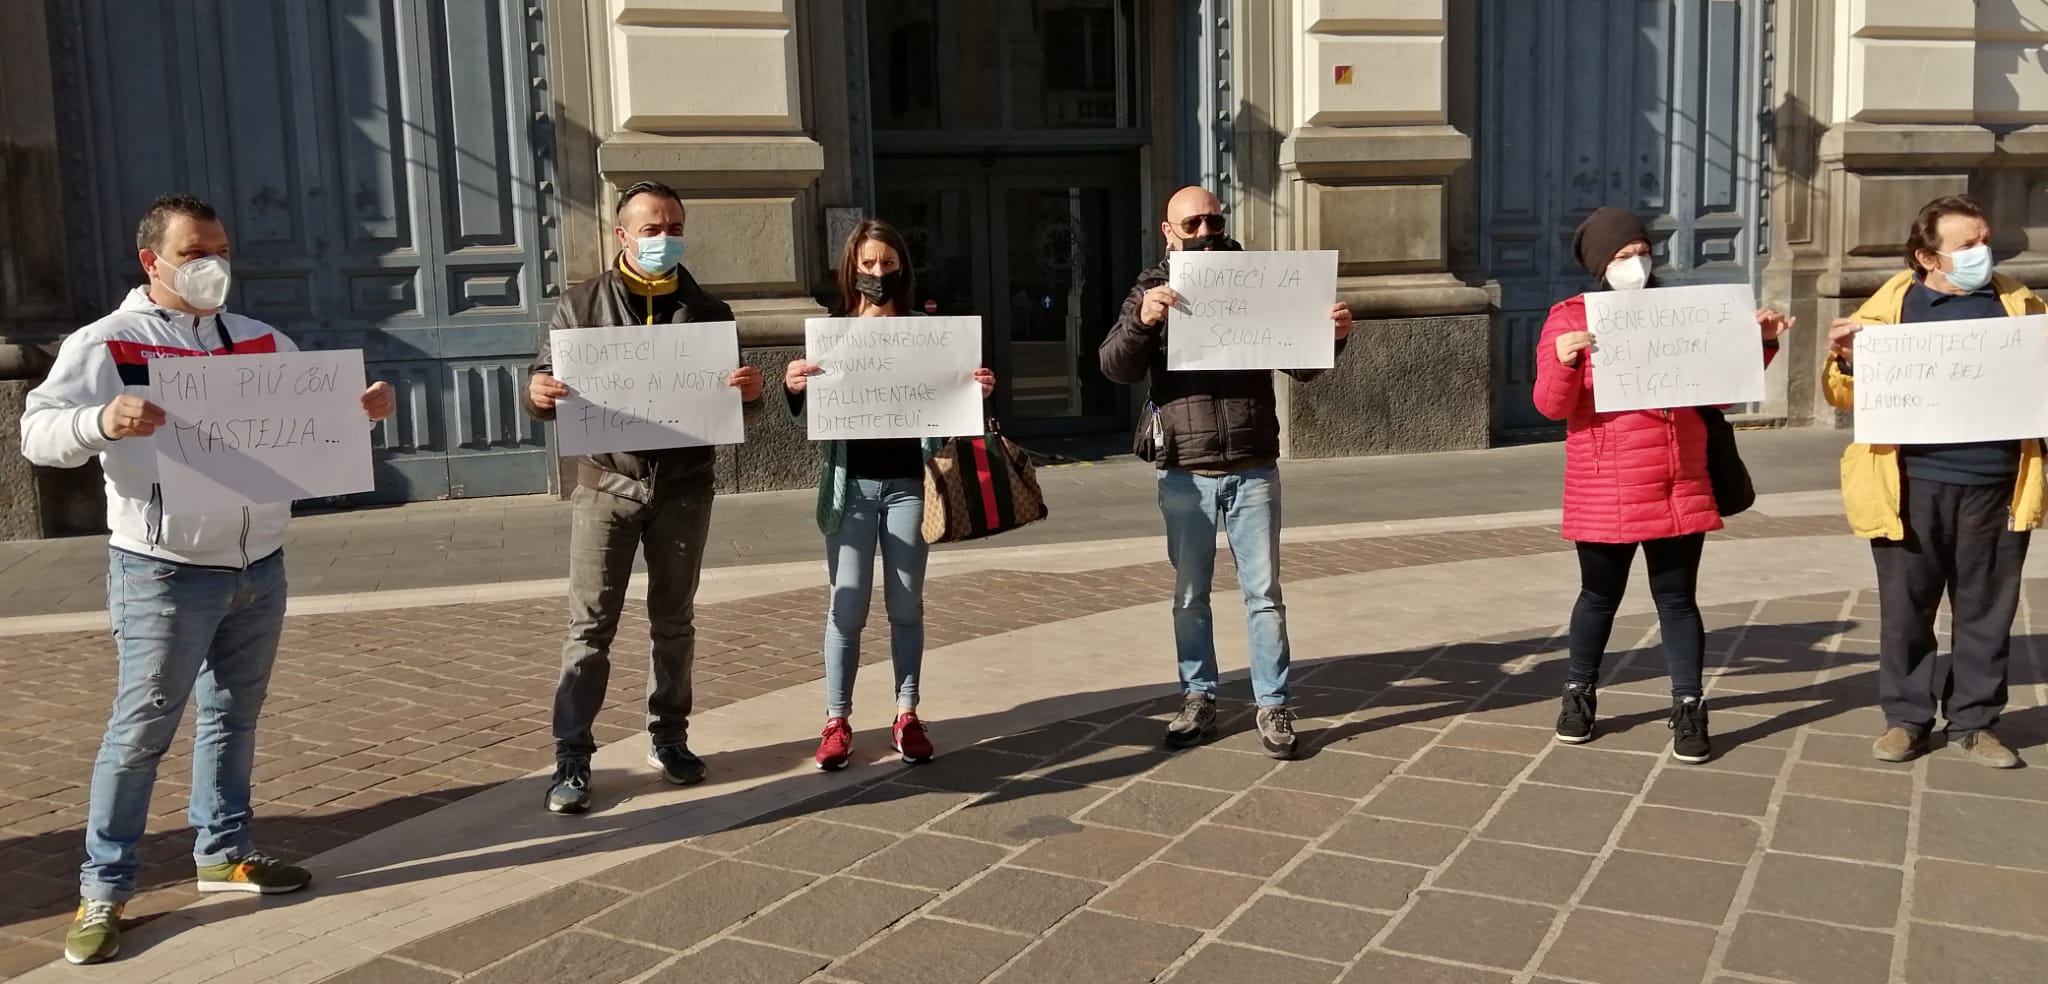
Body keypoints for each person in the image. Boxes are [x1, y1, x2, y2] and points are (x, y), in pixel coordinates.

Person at [20, 194, 397, 965]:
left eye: (220, 251)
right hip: (164, 571)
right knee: (140, 734)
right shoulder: (108, 343)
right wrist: (101, 422)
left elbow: (312, 429)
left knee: (234, 718)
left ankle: (224, 853)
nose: (212, 266)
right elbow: (35, 432)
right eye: (194, 253)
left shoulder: (262, 340)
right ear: (151, 261)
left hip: (259, 565)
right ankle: (104, 888)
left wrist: (361, 414)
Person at [522, 180, 764, 813]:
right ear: (621, 235)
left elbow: (740, 404)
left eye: (673, 227)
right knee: (589, 628)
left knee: (674, 622)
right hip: (605, 487)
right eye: (651, 229)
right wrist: (538, 393)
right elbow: (542, 383)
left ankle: (670, 737)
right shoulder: (579, 307)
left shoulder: (710, 312)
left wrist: (750, 393)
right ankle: (571, 755)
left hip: (684, 488)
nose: (665, 240)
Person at [1098, 186, 1353, 760]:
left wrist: (1333, 338)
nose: (1206, 231)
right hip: (1185, 471)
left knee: (1263, 595)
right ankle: (1199, 695)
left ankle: (1274, 702)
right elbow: (1114, 366)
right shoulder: (1150, 285)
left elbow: (1303, 365)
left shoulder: (1256, 278)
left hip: (1253, 463)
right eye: (1192, 224)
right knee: (1190, 595)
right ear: (1169, 232)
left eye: (1214, 219)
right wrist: (1143, 320)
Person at [1533, 206, 1792, 764]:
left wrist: (1761, 344)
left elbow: (1720, 394)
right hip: (1605, 484)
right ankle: (1579, 693)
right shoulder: (1567, 317)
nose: (1636, 264)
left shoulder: (1681, 313)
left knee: (1677, 600)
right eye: (1622, 257)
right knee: (1598, 596)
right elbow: (1552, 405)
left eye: (1642, 253)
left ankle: (1690, 704)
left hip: (1678, 481)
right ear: (1600, 264)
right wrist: (1563, 360)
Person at [1823, 194, 2045, 768]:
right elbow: (1844, 397)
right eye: (1967, 245)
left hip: (1997, 487)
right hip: (1910, 487)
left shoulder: (2021, 307)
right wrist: (1845, 362)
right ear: (1928, 257)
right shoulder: (1886, 311)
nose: (1983, 252)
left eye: (1985, 240)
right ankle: (1907, 719)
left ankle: (1975, 721)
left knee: (1988, 611)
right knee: (1905, 611)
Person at [783, 219, 996, 771]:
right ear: (852, 269)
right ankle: (837, 719)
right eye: (869, 263)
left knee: (905, 602)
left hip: (909, 486)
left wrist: (976, 390)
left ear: (902, 266)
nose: (879, 273)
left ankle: (907, 712)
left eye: (888, 262)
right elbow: (809, 410)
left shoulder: (928, 331)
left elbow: (954, 405)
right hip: (850, 488)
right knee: (846, 601)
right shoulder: (834, 333)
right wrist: (795, 386)